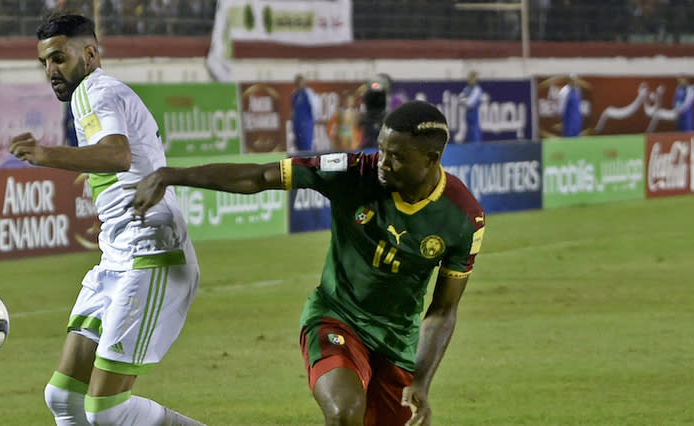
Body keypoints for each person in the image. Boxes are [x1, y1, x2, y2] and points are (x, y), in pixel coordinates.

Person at [129, 100, 486, 426]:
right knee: (345, 412)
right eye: (381, 149)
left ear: (431, 158)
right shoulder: (352, 171)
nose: (382, 162)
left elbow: (442, 311)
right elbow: (260, 176)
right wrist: (171, 175)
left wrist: (421, 381)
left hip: (397, 341)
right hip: (336, 318)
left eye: (396, 156)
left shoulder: (463, 219)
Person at [8, 13, 203, 426]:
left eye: (59, 58)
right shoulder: (99, 93)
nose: (51, 71)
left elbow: (116, 155)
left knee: (106, 410)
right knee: (63, 397)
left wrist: (44, 154)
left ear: (90, 54)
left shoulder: (94, 92)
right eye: (45, 62)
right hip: (116, 256)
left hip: (150, 255)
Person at [290, 74, 321, 153]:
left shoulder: (308, 92)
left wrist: (314, 118)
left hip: (306, 122)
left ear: (304, 82)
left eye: (301, 82)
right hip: (297, 123)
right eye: (297, 82)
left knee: (306, 144)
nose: (299, 84)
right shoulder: (294, 94)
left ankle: (308, 161)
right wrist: (293, 120)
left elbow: (315, 106)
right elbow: (293, 109)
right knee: (298, 145)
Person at [458, 71, 483, 143]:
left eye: (472, 79)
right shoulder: (467, 89)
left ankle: (476, 147)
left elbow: (470, 103)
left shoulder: (477, 90)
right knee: (467, 133)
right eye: (470, 78)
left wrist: (464, 101)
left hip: (474, 115)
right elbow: (460, 99)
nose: (471, 80)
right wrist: (465, 101)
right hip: (467, 115)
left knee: (474, 132)